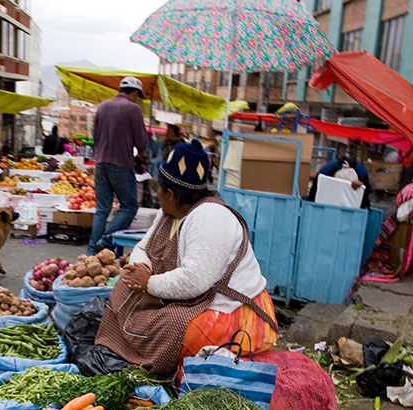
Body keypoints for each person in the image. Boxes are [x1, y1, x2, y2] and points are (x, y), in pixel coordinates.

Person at [95, 139, 279, 376]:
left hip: (230, 308)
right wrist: (139, 267)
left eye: (158, 190)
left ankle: (149, 363)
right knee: (123, 287)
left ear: (170, 193)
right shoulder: (170, 212)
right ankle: (119, 350)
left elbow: (195, 280)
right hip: (192, 297)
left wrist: (149, 283)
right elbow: (144, 246)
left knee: (175, 324)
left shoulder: (211, 217)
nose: (157, 195)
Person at [87, 76, 148, 255]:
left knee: (102, 209)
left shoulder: (103, 106)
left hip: (101, 163)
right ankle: (106, 240)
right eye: (138, 95)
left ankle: (92, 252)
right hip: (121, 164)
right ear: (135, 92)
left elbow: (95, 137)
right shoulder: (133, 108)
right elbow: (141, 141)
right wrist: (142, 156)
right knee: (129, 207)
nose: (137, 99)